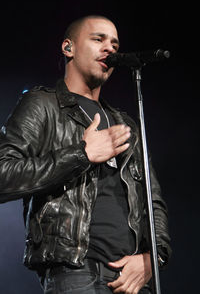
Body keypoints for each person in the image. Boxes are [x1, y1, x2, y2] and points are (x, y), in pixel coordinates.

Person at [0, 15, 171, 294]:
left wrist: (154, 258)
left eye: (115, 44)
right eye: (98, 39)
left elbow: (153, 202)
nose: (110, 49)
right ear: (68, 48)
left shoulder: (126, 124)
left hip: (132, 279)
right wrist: (81, 154)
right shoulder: (43, 105)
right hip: (75, 274)